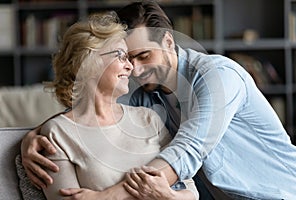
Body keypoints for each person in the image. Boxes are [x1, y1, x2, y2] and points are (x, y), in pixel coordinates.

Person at [21, 1, 296, 199]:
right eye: (128, 59)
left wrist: (106, 197)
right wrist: (31, 136)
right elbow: (91, 112)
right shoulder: (145, 98)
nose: (137, 70)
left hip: (283, 193)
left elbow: (189, 149)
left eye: (144, 56)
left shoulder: (218, 75)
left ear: (168, 41)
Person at [36, 11, 198, 200]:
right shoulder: (57, 133)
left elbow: (191, 191)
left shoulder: (148, 118)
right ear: (87, 61)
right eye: (121, 55)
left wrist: (168, 196)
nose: (131, 66)